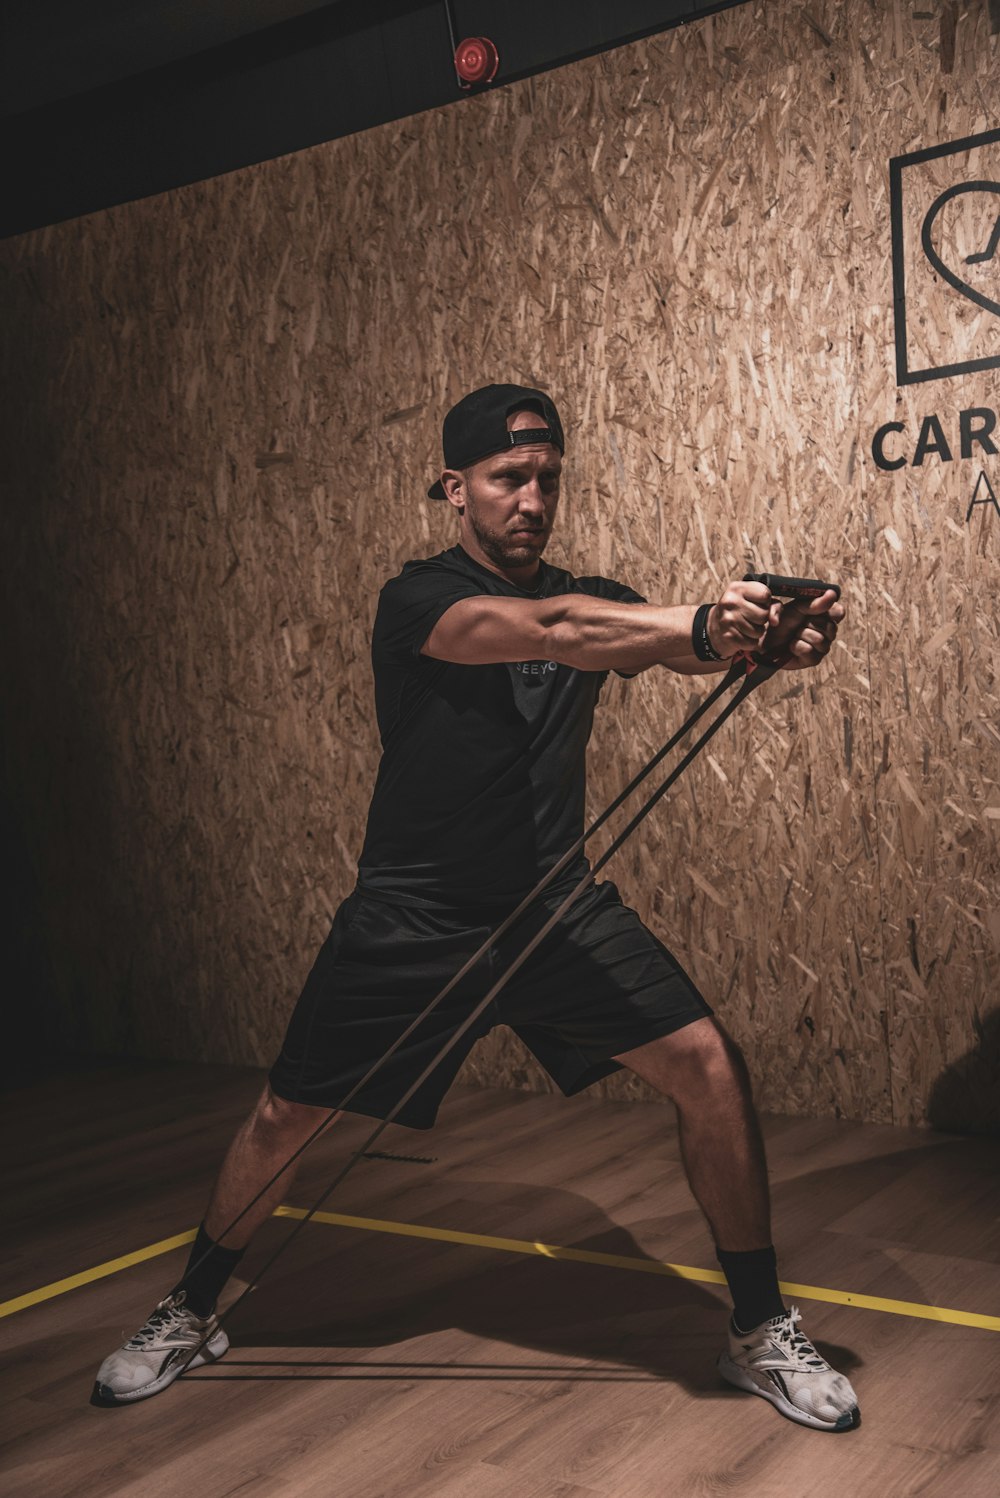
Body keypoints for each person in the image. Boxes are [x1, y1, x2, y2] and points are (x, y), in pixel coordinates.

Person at [93, 383, 858, 1432]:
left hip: (551, 907)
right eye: (507, 478)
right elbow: (551, 628)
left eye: (547, 478)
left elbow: (655, 642)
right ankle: (188, 1307)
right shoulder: (419, 600)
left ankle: (757, 1328)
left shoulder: (598, 596)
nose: (532, 498)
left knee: (708, 1067)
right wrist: (693, 617)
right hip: (415, 911)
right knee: (286, 1113)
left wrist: (765, 642)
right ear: (456, 489)